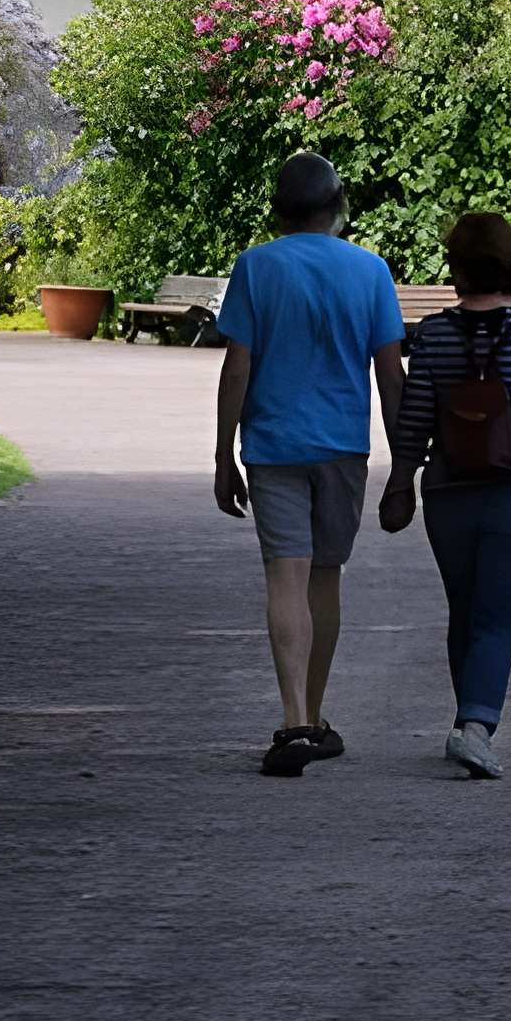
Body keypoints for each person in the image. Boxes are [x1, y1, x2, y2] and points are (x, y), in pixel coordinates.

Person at [212, 152, 408, 777]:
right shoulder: (370, 270)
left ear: (278, 210)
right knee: (325, 580)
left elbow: (237, 366)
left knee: (284, 580)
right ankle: (315, 718)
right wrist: (406, 466)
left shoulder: (255, 267)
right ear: (338, 207)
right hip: (342, 448)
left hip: (272, 448)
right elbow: (390, 376)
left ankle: (295, 720)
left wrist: (222, 454)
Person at [379, 213, 511, 780]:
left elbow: (414, 420)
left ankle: (467, 721)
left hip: (448, 495)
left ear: (458, 271)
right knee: (496, 617)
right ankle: (474, 728)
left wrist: (400, 484)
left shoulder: (434, 335)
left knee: (467, 611)